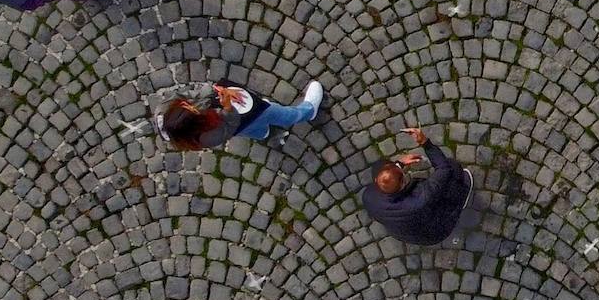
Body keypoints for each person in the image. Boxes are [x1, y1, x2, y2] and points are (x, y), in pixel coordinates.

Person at [361, 126, 473, 246]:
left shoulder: (368, 196)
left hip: (404, 232)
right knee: (453, 168)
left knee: (379, 165)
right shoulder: (421, 198)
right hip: (435, 233)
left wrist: (399, 163)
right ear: (403, 182)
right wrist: (425, 143)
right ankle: (462, 197)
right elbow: (444, 169)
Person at [157, 79, 325, 150]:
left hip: (232, 122)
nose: (189, 104)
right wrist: (228, 107)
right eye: (191, 109)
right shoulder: (206, 137)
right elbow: (230, 126)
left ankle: (264, 133)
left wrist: (216, 90)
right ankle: (308, 111)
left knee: (254, 130)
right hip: (233, 120)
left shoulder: (165, 109)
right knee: (280, 114)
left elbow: (187, 95)